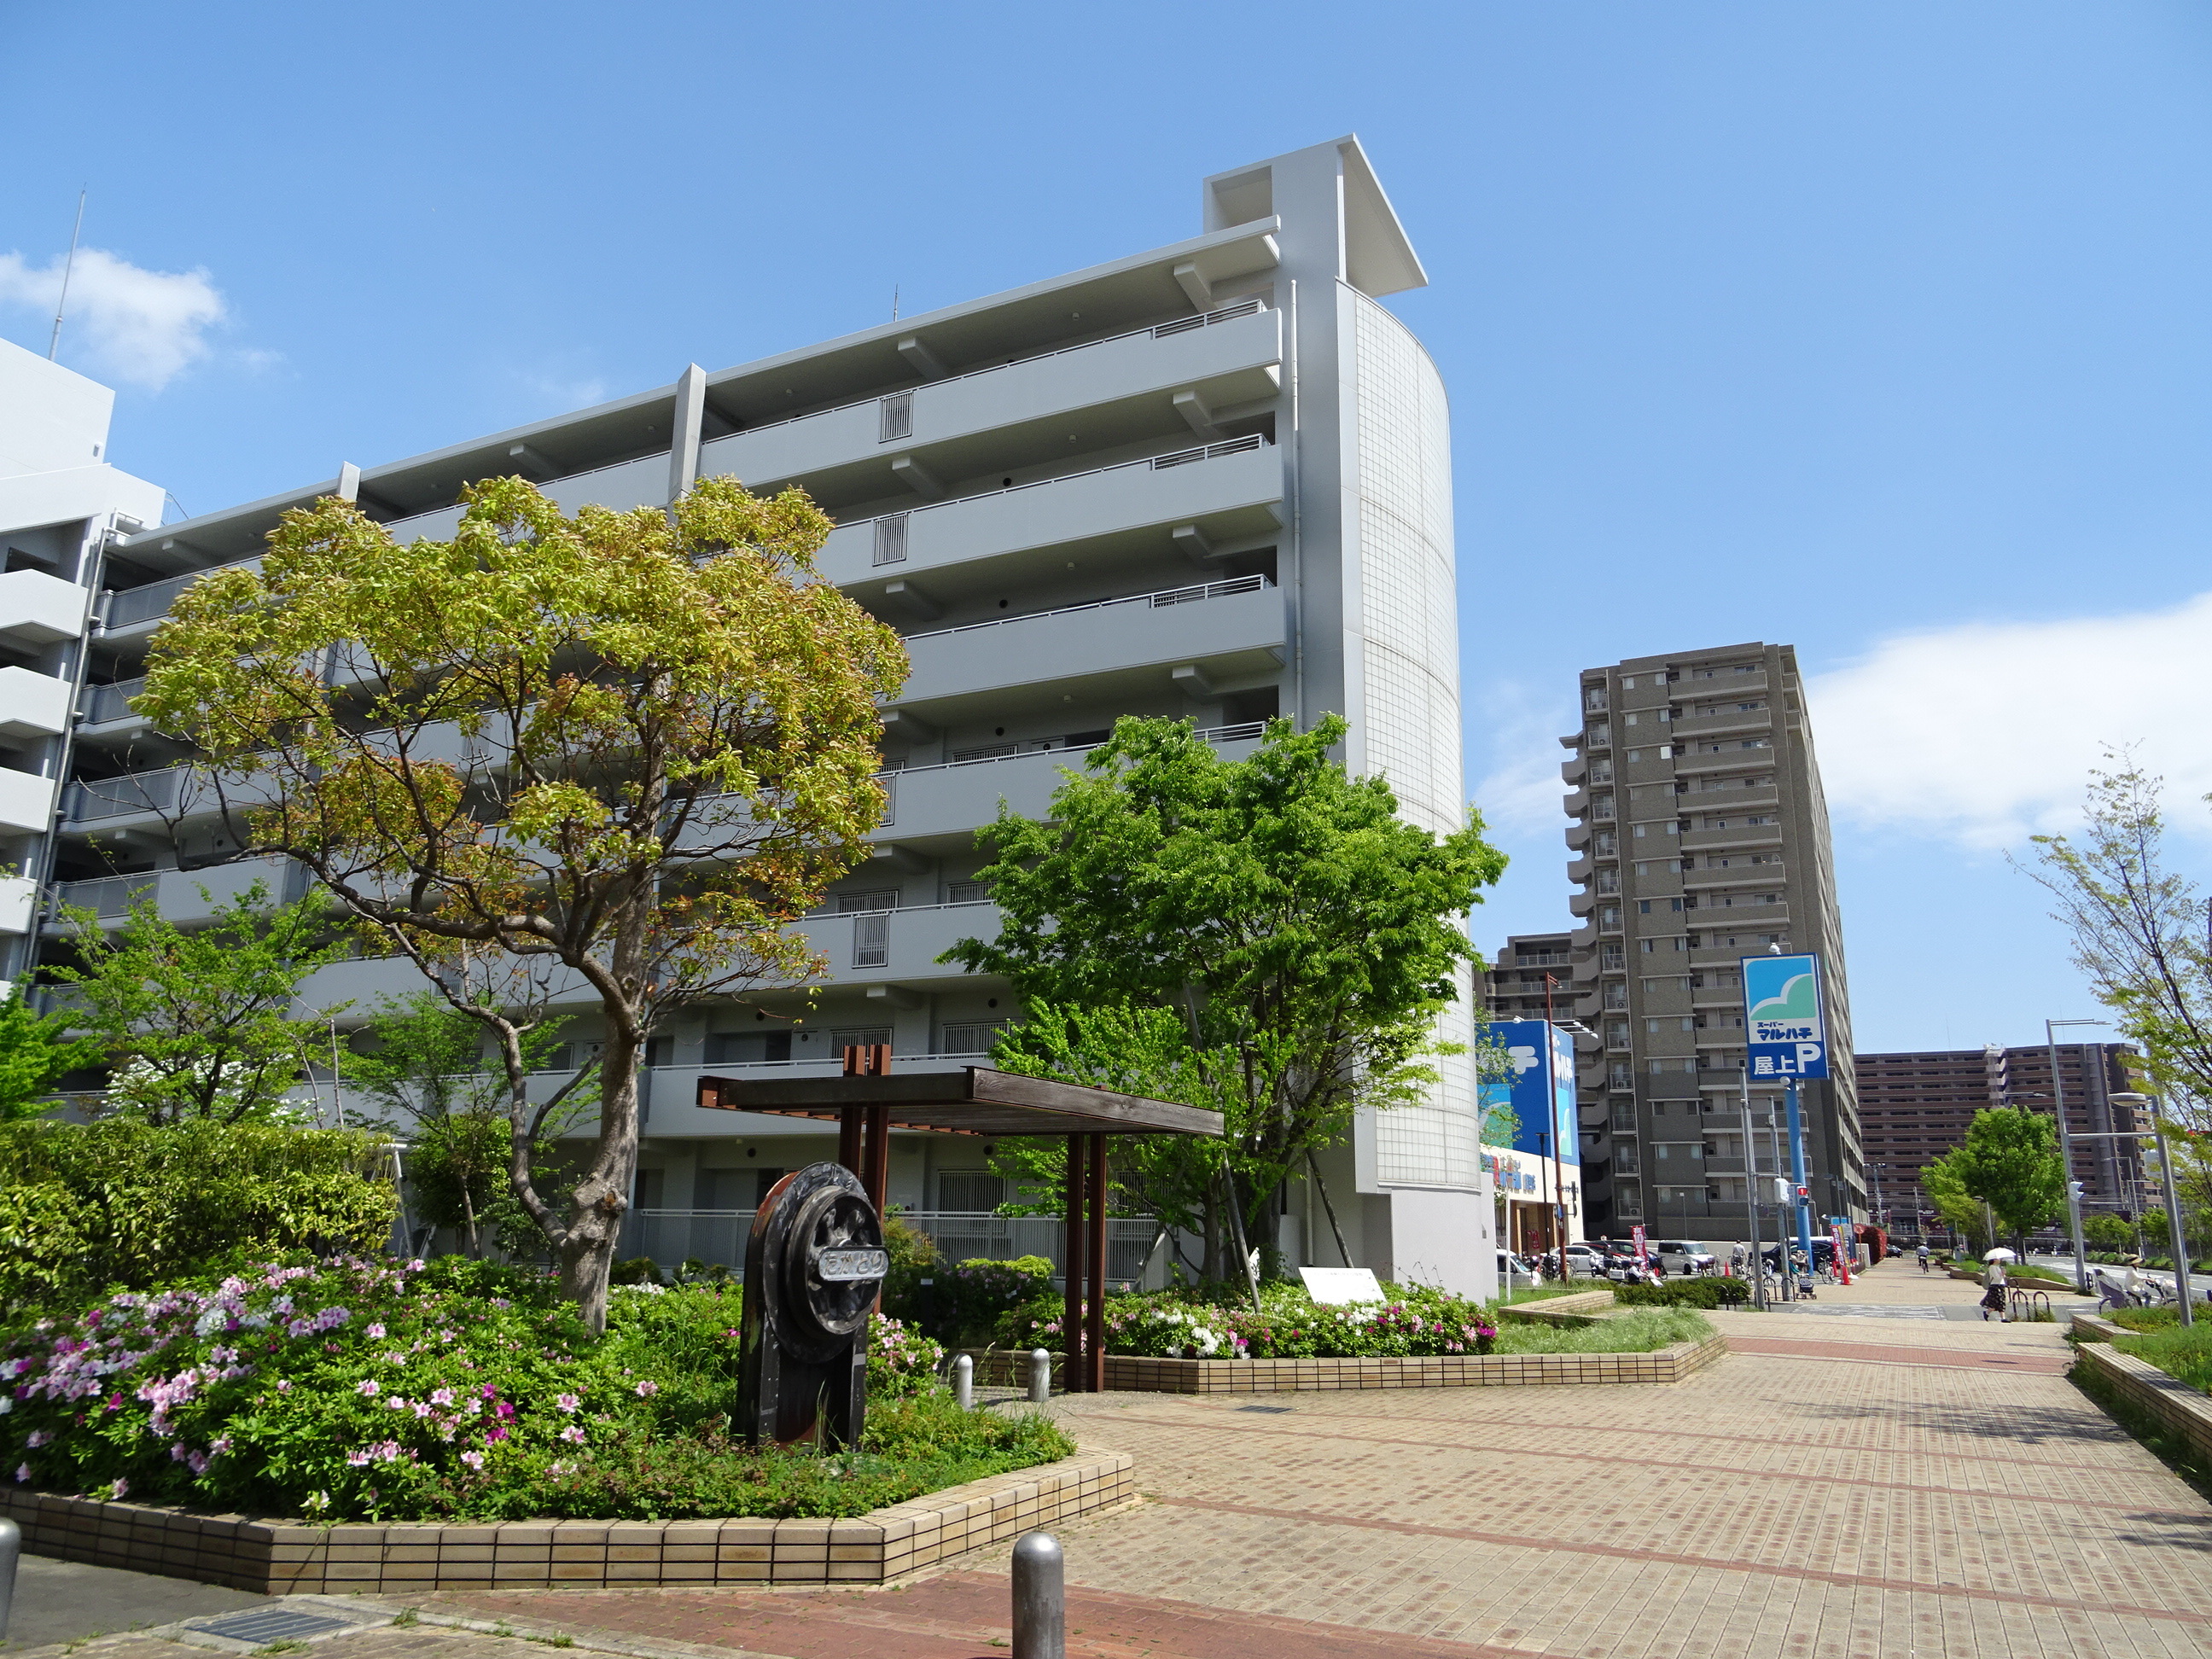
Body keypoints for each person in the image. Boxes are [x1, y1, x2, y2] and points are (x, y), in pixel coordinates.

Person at [1982, 1255, 2010, 1321]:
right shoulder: (1992, 1267)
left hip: (2001, 1285)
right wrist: (2002, 1274)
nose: (2000, 1260)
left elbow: (2002, 1277)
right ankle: (1988, 1313)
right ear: (1994, 1260)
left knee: (2001, 1302)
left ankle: (2002, 1318)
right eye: (1998, 1259)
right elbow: (1996, 1277)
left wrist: (2003, 1274)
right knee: (1996, 1303)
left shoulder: (1998, 1267)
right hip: (1995, 1286)